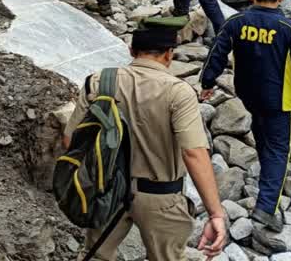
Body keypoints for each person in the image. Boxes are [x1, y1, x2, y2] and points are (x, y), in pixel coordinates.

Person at [63, 26, 228, 261]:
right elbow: (194, 153)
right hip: (160, 197)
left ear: (131, 50)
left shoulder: (99, 81)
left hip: (106, 190)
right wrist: (216, 214)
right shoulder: (179, 92)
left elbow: (71, 140)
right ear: (169, 54)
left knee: (96, 255)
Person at [200, 0, 291, 232]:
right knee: (280, 150)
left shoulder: (236, 22)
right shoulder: (287, 27)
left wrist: (207, 81)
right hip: (277, 97)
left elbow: (217, 52)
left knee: (263, 135)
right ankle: (266, 208)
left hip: (247, 94)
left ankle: (266, 176)